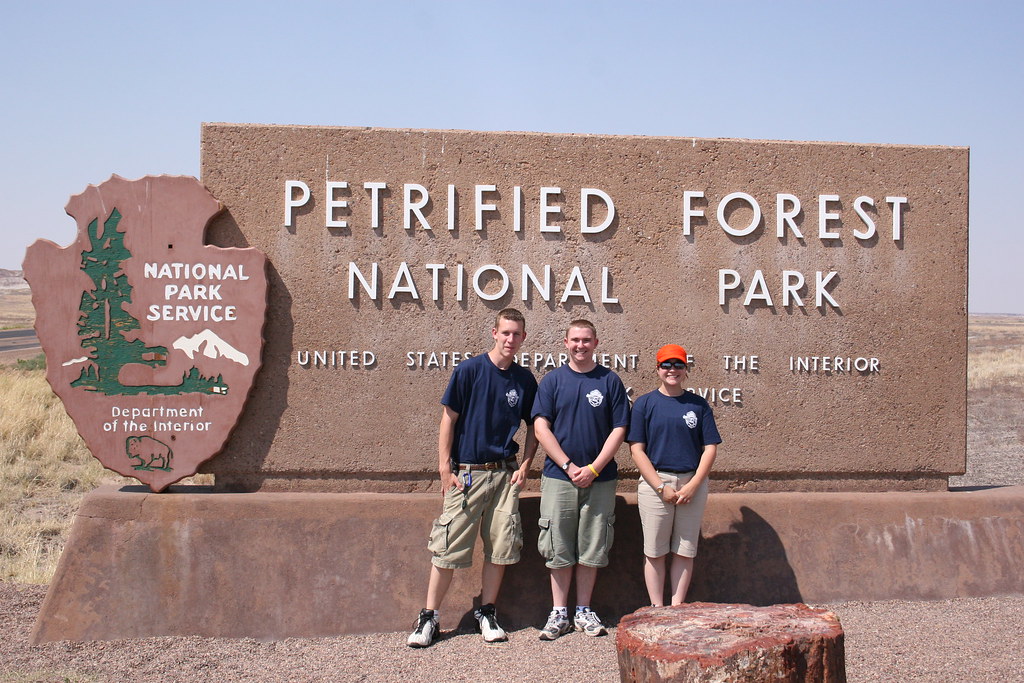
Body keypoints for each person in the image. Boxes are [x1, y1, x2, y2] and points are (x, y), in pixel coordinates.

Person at [407, 308, 539, 648]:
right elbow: (448, 420)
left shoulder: (524, 380)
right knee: (447, 546)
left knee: (500, 547)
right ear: (494, 333)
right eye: (505, 333)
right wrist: (443, 468)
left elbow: (534, 426)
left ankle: (487, 612)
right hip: (466, 475)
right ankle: (429, 617)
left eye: (517, 334)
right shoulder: (469, 370)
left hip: (505, 476)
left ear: (524, 338)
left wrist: (526, 464)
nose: (511, 339)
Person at [532, 320, 630, 640]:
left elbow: (619, 429)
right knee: (557, 543)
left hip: (600, 480)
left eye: (586, 340)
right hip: (559, 478)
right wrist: (569, 465)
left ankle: (583, 610)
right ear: (565, 343)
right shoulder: (552, 381)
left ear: (596, 342)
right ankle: (559, 612)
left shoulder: (610, 381)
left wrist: (594, 468)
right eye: (575, 340)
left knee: (593, 544)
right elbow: (541, 428)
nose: (581, 346)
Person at [627, 344, 721, 607]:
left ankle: (677, 607)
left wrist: (693, 485)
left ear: (686, 370)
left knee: (685, 550)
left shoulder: (698, 405)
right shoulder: (645, 404)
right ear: (657, 369)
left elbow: (710, 448)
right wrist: (659, 487)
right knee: (655, 551)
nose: (672, 370)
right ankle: (657, 609)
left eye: (678, 365)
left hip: (691, 484)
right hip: (656, 484)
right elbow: (637, 450)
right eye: (666, 365)